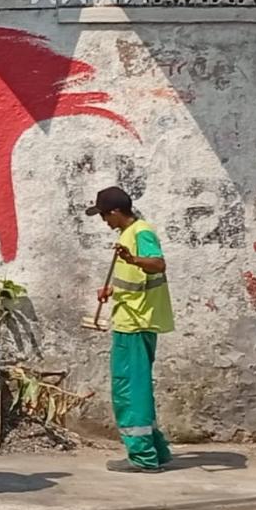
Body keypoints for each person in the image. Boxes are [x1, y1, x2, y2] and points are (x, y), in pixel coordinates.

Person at [87, 186, 174, 473]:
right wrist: (113, 289)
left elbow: (157, 263)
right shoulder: (129, 235)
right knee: (137, 389)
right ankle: (157, 451)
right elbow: (138, 279)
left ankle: (143, 458)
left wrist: (132, 259)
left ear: (115, 212)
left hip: (135, 324)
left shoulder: (140, 233)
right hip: (133, 318)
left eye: (104, 215)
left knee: (129, 391)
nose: (104, 222)